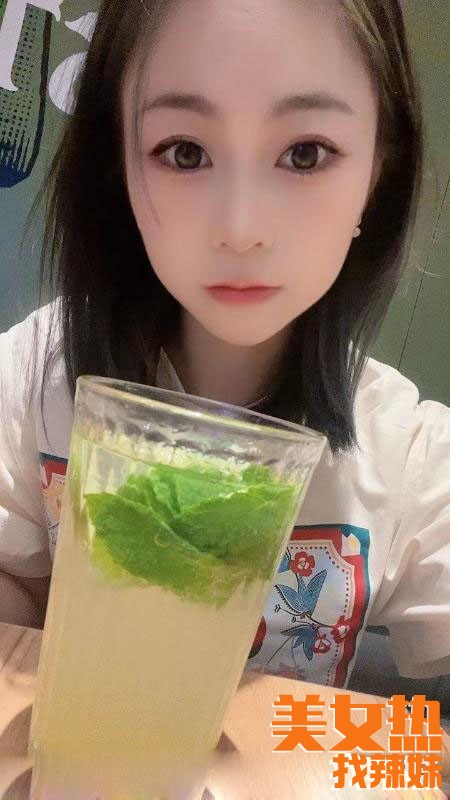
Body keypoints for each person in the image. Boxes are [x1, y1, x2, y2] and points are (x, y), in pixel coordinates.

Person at [0, 0, 448, 688]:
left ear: (378, 170)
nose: (240, 229)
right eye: (185, 152)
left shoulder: (411, 454)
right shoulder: (35, 377)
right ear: (120, 163)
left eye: (305, 154)